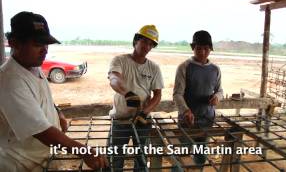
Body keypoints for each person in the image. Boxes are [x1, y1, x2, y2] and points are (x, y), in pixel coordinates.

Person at [0, 11, 108, 172]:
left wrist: (57, 112)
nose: (44, 50)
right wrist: (83, 151)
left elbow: (40, 98)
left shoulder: (33, 67)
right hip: (21, 163)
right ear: (14, 43)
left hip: (44, 157)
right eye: (37, 44)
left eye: (46, 44)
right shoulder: (9, 80)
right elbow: (41, 131)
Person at [108, 25, 164, 171]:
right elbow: (114, 79)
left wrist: (144, 112)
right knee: (115, 159)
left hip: (142, 121)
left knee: (141, 160)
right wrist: (128, 93)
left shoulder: (154, 68)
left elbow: (157, 95)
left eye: (151, 44)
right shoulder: (120, 60)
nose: (147, 46)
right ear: (136, 41)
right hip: (120, 120)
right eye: (144, 41)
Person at [173, 30, 223, 169]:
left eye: (206, 48)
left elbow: (220, 90)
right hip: (187, 120)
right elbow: (177, 94)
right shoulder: (184, 67)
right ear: (193, 48)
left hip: (207, 119)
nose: (202, 52)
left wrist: (217, 97)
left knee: (200, 156)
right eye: (198, 48)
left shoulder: (215, 69)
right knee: (182, 156)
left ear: (211, 49)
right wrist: (186, 111)